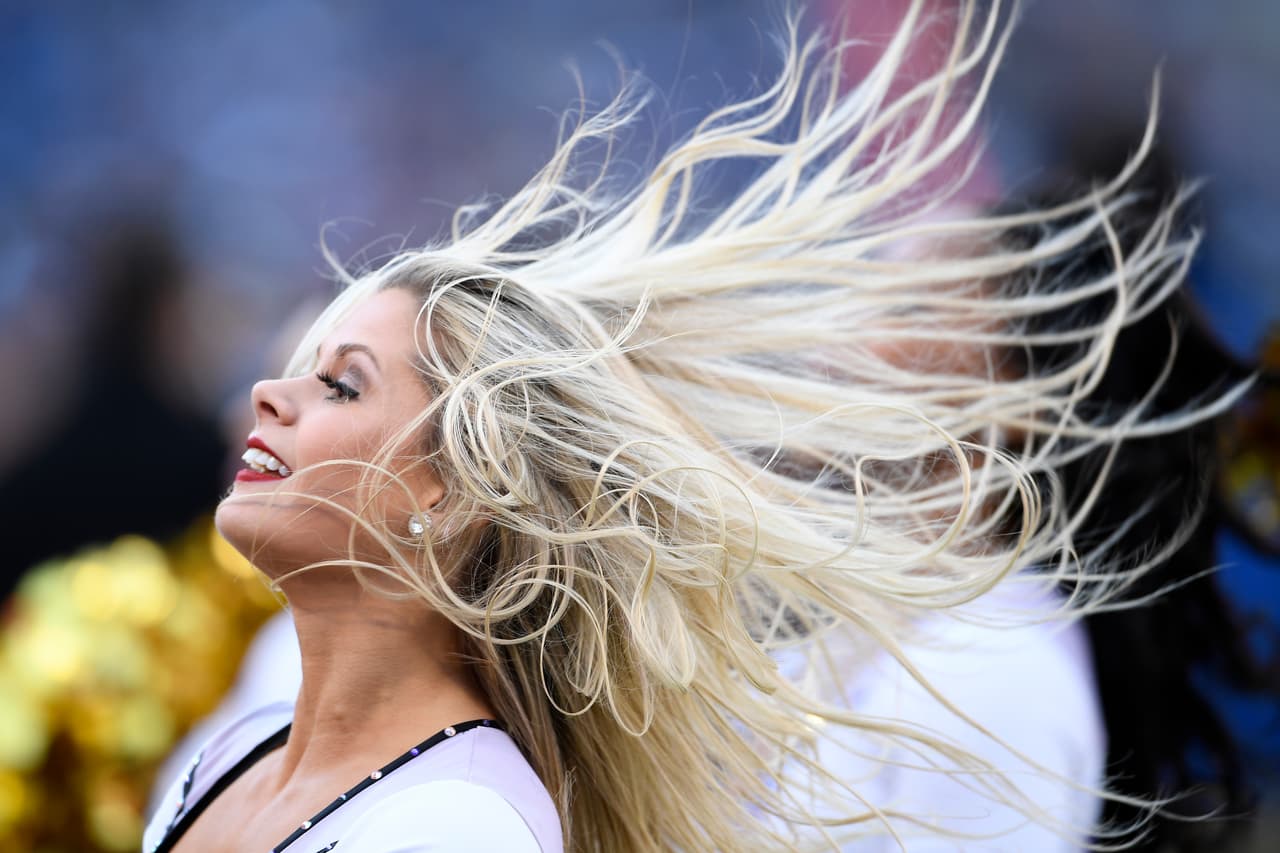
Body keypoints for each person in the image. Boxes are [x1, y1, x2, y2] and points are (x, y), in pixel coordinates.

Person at [143, 2, 1244, 849]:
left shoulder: (997, 658)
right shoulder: (881, 611)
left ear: (1005, 398)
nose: (852, 317)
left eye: (909, 303)